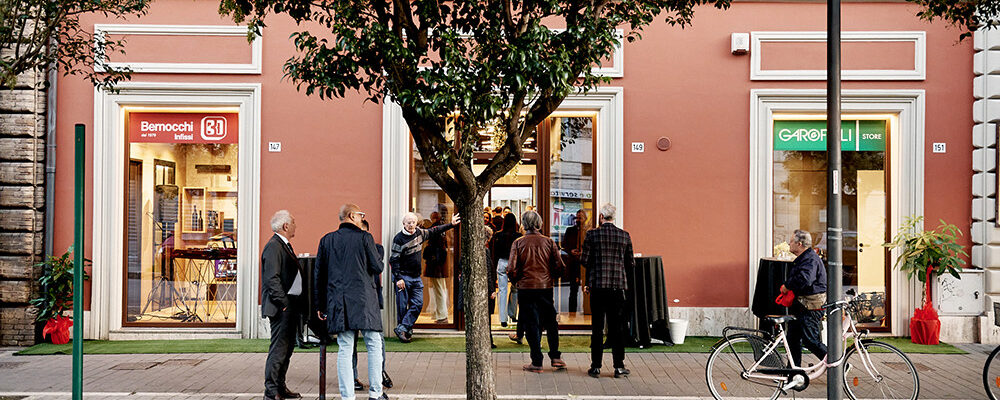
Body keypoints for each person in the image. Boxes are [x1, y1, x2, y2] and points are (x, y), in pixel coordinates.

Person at [314, 204, 387, 400]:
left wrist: (320, 305)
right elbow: (377, 266)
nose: (363, 218)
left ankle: (347, 397)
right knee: (373, 344)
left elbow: (319, 275)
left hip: (339, 301)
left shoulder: (327, 240)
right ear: (352, 215)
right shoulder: (365, 238)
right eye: (361, 215)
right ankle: (376, 393)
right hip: (365, 301)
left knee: (345, 347)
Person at [507, 210, 565, 372]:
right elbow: (560, 266)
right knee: (551, 322)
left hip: (526, 288)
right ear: (539, 224)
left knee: (531, 323)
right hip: (545, 287)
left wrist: (517, 281)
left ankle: (537, 362)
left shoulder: (518, 243)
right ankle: (555, 356)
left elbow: (511, 269)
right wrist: (550, 277)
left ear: (524, 224)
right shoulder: (549, 242)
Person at [389, 211, 460, 342]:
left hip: (416, 277)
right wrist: (398, 278)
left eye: (413, 223)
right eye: (408, 223)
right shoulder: (399, 239)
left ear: (416, 223)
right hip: (403, 278)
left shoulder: (420, 233)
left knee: (418, 304)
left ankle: (403, 328)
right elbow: (393, 260)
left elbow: (435, 230)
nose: (411, 225)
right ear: (403, 224)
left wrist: (451, 224)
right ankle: (405, 332)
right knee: (402, 307)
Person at [581, 203, 633, 379]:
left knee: (597, 328)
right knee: (616, 328)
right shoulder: (624, 236)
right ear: (613, 217)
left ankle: (596, 367)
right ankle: (618, 366)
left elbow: (584, 260)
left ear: (601, 217)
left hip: (597, 287)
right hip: (617, 287)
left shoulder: (592, 235)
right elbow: (630, 263)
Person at [261, 210, 304, 400]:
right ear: (285, 226)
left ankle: (280, 386)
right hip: (280, 308)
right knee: (279, 349)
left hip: (287, 306)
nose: (295, 225)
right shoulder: (274, 247)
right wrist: (284, 303)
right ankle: (271, 392)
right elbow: (272, 279)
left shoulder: (282, 245)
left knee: (286, 349)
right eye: (293, 222)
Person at [352, 220, 393, 392]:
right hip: (353, 301)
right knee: (350, 342)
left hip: (371, 300)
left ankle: (379, 372)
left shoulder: (378, 248)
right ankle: (352, 377)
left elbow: (376, 266)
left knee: (377, 341)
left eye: (363, 232)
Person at [780, 229, 828, 368]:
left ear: (799, 244)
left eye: (791, 242)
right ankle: (793, 373)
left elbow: (805, 280)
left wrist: (787, 286)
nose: (789, 244)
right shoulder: (806, 257)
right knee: (792, 339)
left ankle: (838, 365)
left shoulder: (810, 259)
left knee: (810, 340)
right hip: (803, 305)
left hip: (810, 306)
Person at [490, 213, 522, 327]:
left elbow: (495, 254)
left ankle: (503, 319)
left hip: (501, 262)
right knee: (515, 289)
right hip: (514, 264)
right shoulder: (518, 236)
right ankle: (512, 314)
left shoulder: (498, 235)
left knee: (502, 290)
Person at [423, 210, 451, 323]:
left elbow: (435, 247)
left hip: (435, 265)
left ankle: (442, 315)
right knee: (439, 289)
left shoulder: (435, 229)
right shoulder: (442, 230)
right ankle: (439, 314)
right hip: (439, 265)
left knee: (438, 289)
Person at [561, 209, 590, 313]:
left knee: (587, 290)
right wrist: (571, 251)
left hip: (585, 264)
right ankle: (572, 313)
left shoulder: (588, 231)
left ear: (585, 219)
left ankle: (587, 311)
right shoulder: (570, 230)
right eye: (577, 218)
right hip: (573, 263)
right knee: (573, 290)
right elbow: (564, 245)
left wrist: (582, 252)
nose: (578, 220)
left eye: (580, 218)